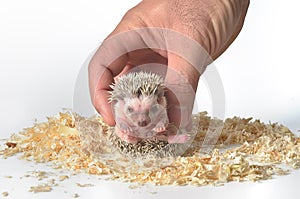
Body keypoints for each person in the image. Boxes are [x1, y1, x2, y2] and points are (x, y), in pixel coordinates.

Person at [88, 0, 250, 141]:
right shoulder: (122, 107)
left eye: (150, 110)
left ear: (160, 100)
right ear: (121, 103)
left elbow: (162, 120)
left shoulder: (160, 102)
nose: (142, 119)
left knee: (166, 132)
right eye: (130, 110)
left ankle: (170, 138)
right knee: (130, 134)